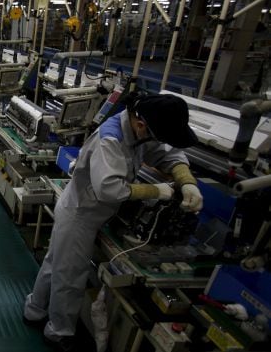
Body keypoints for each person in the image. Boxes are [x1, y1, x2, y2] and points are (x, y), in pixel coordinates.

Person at [22, 93, 204, 352]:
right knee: (69, 276)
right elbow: (109, 189)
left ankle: (35, 310)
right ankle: (58, 332)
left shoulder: (139, 129)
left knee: (56, 265)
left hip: (91, 212)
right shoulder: (111, 140)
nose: (156, 140)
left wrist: (187, 182)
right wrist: (157, 191)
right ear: (142, 125)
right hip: (80, 214)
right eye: (156, 134)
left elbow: (169, 154)